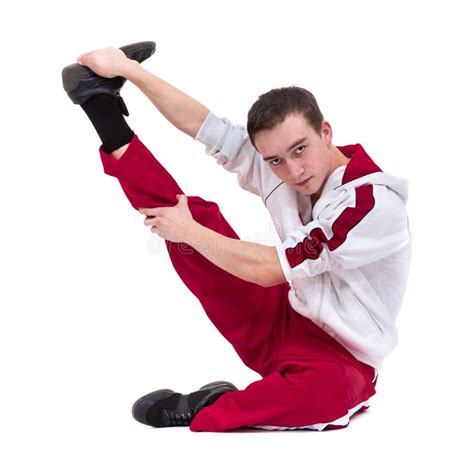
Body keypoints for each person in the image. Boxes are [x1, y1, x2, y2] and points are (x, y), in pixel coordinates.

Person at [61, 41, 411, 432]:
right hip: (281, 315)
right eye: (275, 160)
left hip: (340, 357)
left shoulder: (370, 204)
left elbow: (267, 269)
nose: (292, 170)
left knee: (329, 393)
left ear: (325, 132)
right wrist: (131, 71)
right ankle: (99, 104)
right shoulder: (279, 164)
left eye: (300, 149)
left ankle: (215, 405)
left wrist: (188, 232)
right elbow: (205, 126)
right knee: (187, 220)